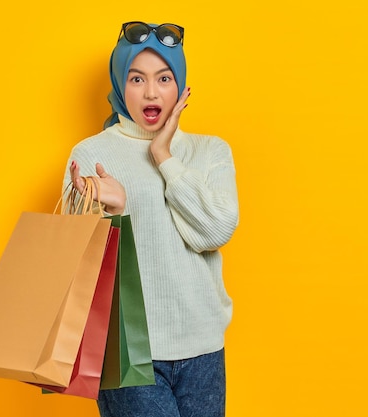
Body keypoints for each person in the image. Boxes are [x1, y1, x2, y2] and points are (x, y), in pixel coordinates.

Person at [63, 21, 239, 417]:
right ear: (119, 83)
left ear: (181, 85)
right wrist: (112, 212)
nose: (151, 92)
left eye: (163, 78)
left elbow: (215, 231)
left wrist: (164, 157)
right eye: (136, 78)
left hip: (203, 348)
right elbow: (74, 260)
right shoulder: (91, 154)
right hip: (128, 351)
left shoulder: (210, 151)